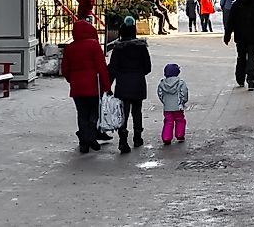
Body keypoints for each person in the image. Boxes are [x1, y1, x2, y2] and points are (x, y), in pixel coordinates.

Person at [61, 20, 111, 153]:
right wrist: (107, 86)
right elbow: (102, 67)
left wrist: (72, 80)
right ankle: (91, 137)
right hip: (93, 86)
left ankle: (84, 141)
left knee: (82, 114)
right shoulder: (94, 45)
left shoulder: (70, 47)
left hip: (77, 87)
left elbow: (65, 69)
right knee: (94, 113)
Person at [107, 16, 152, 153]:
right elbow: (147, 67)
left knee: (123, 113)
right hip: (138, 84)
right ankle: (137, 137)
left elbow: (113, 68)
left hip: (122, 85)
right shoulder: (141, 47)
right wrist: (138, 73)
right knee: (137, 112)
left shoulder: (118, 48)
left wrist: (107, 86)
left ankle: (123, 140)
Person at [157, 63, 189, 144]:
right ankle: (180, 135)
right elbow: (184, 93)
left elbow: (160, 94)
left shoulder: (162, 83)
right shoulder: (180, 83)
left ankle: (166, 137)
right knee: (180, 120)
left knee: (168, 121)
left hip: (167, 107)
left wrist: (165, 102)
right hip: (178, 106)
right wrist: (183, 101)